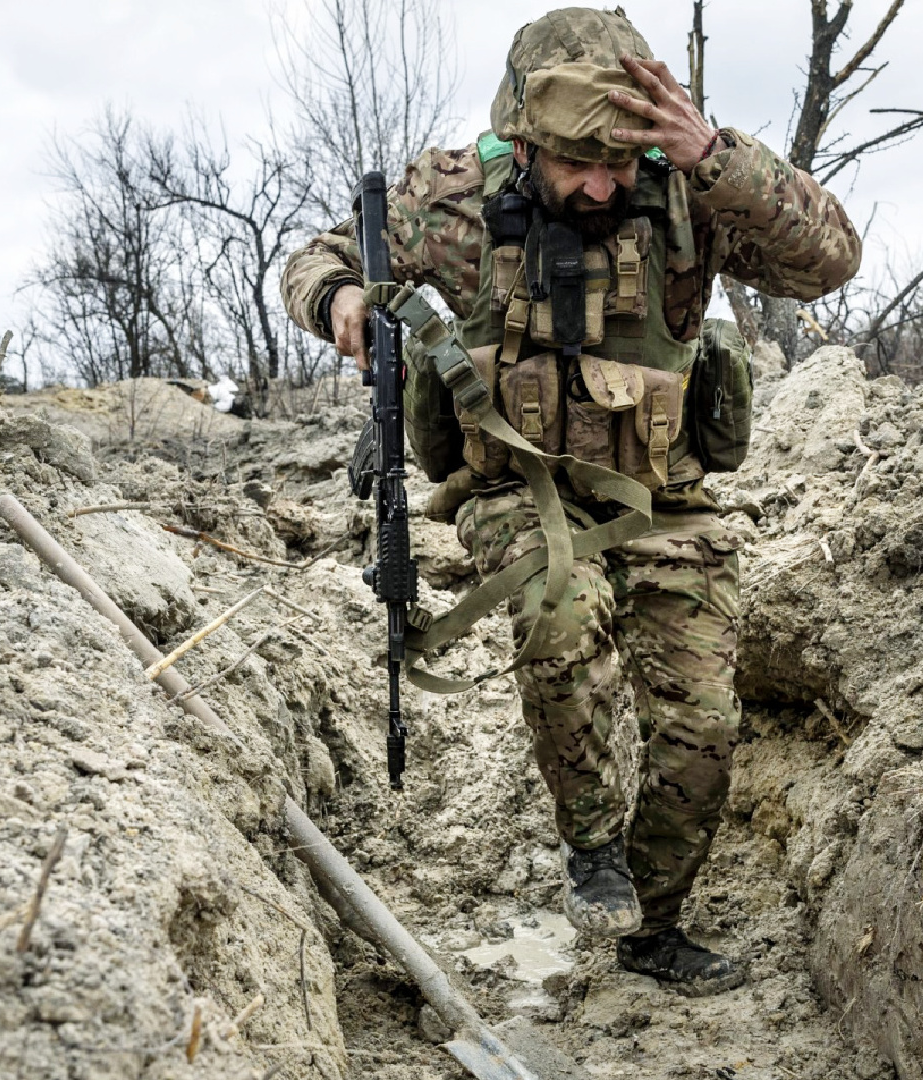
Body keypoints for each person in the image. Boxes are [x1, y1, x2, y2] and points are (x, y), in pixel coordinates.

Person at [282, 6, 860, 996]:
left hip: (661, 499)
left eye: (618, 162)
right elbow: (316, 259)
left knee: (705, 722)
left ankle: (655, 919)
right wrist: (337, 298)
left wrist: (717, 155)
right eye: (575, 163)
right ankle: (591, 845)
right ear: (527, 139)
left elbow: (829, 259)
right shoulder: (457, 202)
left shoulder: (689, 188)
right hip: (515, 485)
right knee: (560, 602)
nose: (600, 184)